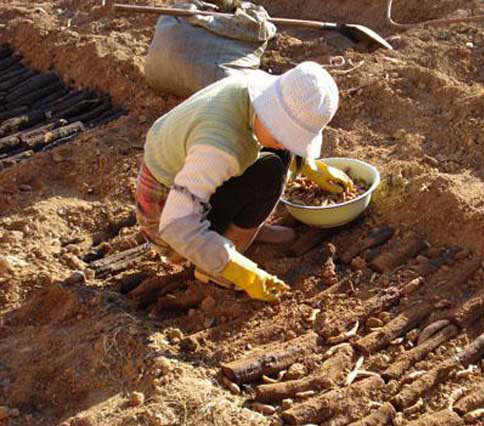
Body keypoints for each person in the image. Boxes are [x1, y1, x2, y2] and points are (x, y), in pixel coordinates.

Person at [135, 62, 352, 302]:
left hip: (185, 176)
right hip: (165, 216)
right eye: (285, 133)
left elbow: (274, 139)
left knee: (281, 155)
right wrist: (240, 271)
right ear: (268, 110)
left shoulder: (251, 92)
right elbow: (177, 225)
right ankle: (216, 265)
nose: (287, 141)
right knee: (269, 174)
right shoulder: (218, 149)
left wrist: (310, 167)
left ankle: (239, 227)